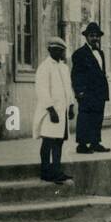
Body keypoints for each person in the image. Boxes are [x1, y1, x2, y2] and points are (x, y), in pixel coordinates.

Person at [33, 36, 74, 184]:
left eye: (63, 51)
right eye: (59, 51)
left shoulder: (63, 67)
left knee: (59, 142)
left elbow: (68, 89)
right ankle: (45, 170)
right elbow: (42, 90)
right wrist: (51, 110)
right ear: (51, 50)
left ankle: (56, 170)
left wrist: (71, 105)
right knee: (48, 141)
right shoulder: (45, 67)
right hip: (50, 112)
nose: (62, 54)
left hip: (62, 111)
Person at [71, 22, 111, 154]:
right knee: (84, 117)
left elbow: (101, 72)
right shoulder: (79, 54)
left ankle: (95, 142)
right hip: (86, 92)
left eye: (97, 36)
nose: (95, 38)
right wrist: (79, 91)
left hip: (99, 92)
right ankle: (81, 145)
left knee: (97, 117)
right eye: (92, 35)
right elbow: (76, 75)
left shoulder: (101, 53)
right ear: (86, 37)